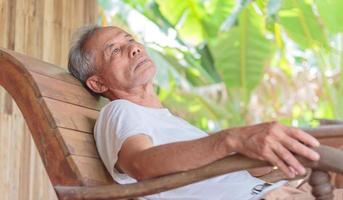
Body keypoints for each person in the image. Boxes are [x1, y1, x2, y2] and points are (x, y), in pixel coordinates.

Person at [67, 25, 322, 200]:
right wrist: (230, 139)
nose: (134, 48)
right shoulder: (119, 111)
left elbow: (225, 176)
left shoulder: (168, 122)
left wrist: (277, 159)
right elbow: (140, 164)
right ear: (99, 84)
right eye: (115, 50)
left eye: (130, 40)